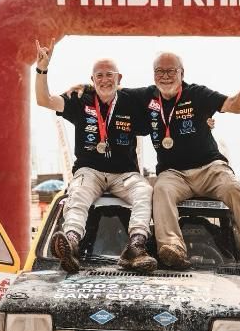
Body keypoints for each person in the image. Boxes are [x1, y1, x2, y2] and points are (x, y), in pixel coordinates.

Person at [122, 52, 240, 269]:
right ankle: (172, 248)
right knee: (161, 190)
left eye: (171, 71)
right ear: (154, 74)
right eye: (160, 71)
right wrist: (85, 87)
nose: (165, 76)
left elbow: (235, 105)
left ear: (181, 73)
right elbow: (110, 90)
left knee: (234, 189)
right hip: (173, 173)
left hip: (209, 169)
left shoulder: (197, 93)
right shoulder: (147, 96)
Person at [34, 39, 157, 274]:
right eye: (98, 75)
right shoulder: (80, 99)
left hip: (125, 174)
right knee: (78, 193)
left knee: (145, 192)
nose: (104, 79)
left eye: (109, 74)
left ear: (119, 78)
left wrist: (204, 121)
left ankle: (136, 248)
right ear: (92, 80)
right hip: (90, 171)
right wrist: (42, 68)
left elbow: (167, 97)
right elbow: (44, 100)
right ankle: (70, 243)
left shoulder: (132, 99)